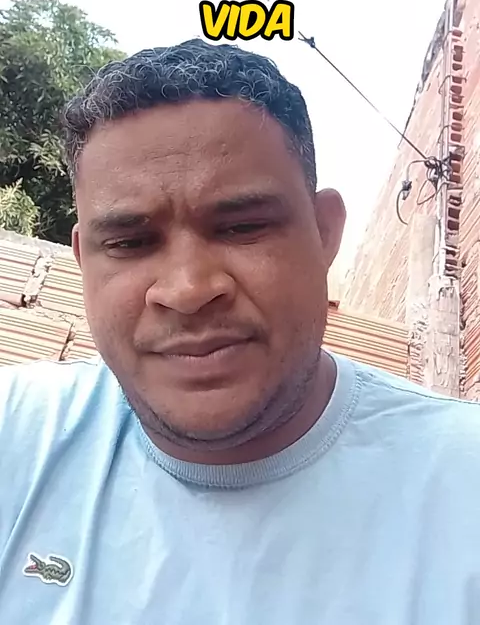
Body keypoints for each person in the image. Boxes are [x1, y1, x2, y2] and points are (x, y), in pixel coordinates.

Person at [0, 39, 479, 625]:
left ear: (324, 233)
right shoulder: (16, 441)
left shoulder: (464, 485)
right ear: (83, 260)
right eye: (129, 242)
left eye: (243, 227)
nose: (187, 289)